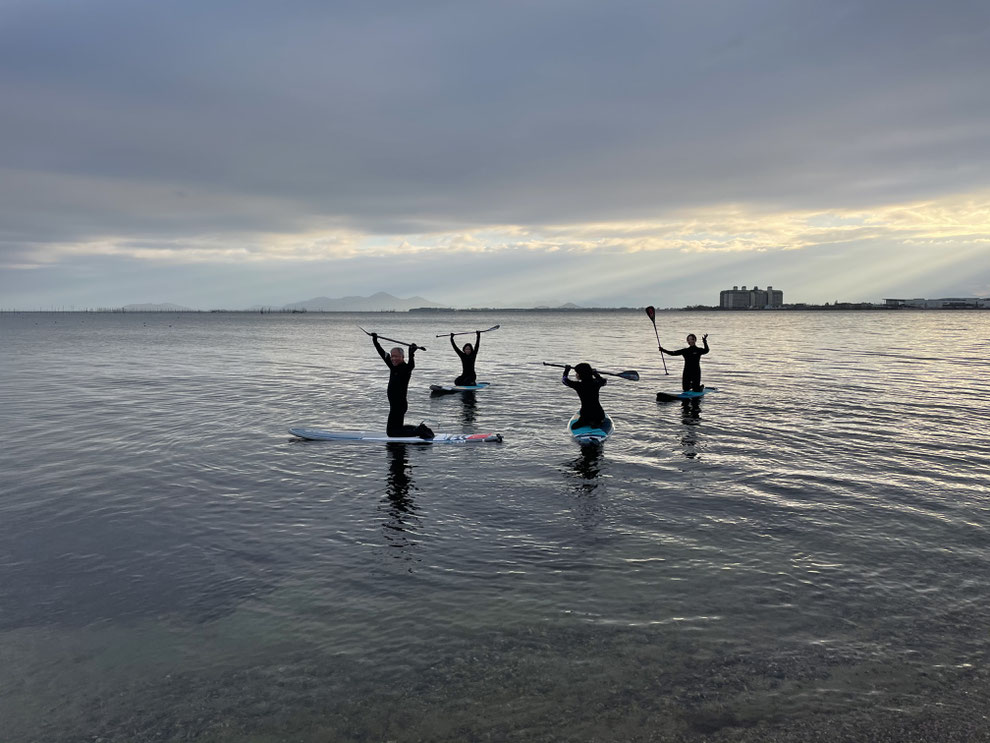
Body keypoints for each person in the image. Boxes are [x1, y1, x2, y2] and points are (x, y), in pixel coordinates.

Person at [372, 333, 433, 438]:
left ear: (402, 357)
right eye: (392, 356)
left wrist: (411, 354)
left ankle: (419, 431)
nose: (393, 358)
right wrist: (375, 340)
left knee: (391, 433)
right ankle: (419, 429)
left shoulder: (405, 368)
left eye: (396, 356)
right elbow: (382, 353)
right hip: (395, 405)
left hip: (399, 405)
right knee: (397, 429)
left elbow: (411, 365)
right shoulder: (392, 365)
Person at [562, 363, 607, 429]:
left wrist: (566, 371)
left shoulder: (578, 385)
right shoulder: (596, 383)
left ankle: (590, 422)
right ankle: (596, 423)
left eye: (577, 373)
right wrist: (596, 374)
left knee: (574, 427)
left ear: (581, 375)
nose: (576, 375)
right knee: (596, 420)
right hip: (598, 414)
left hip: (586, 415)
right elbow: (604, 382)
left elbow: (564, 380)